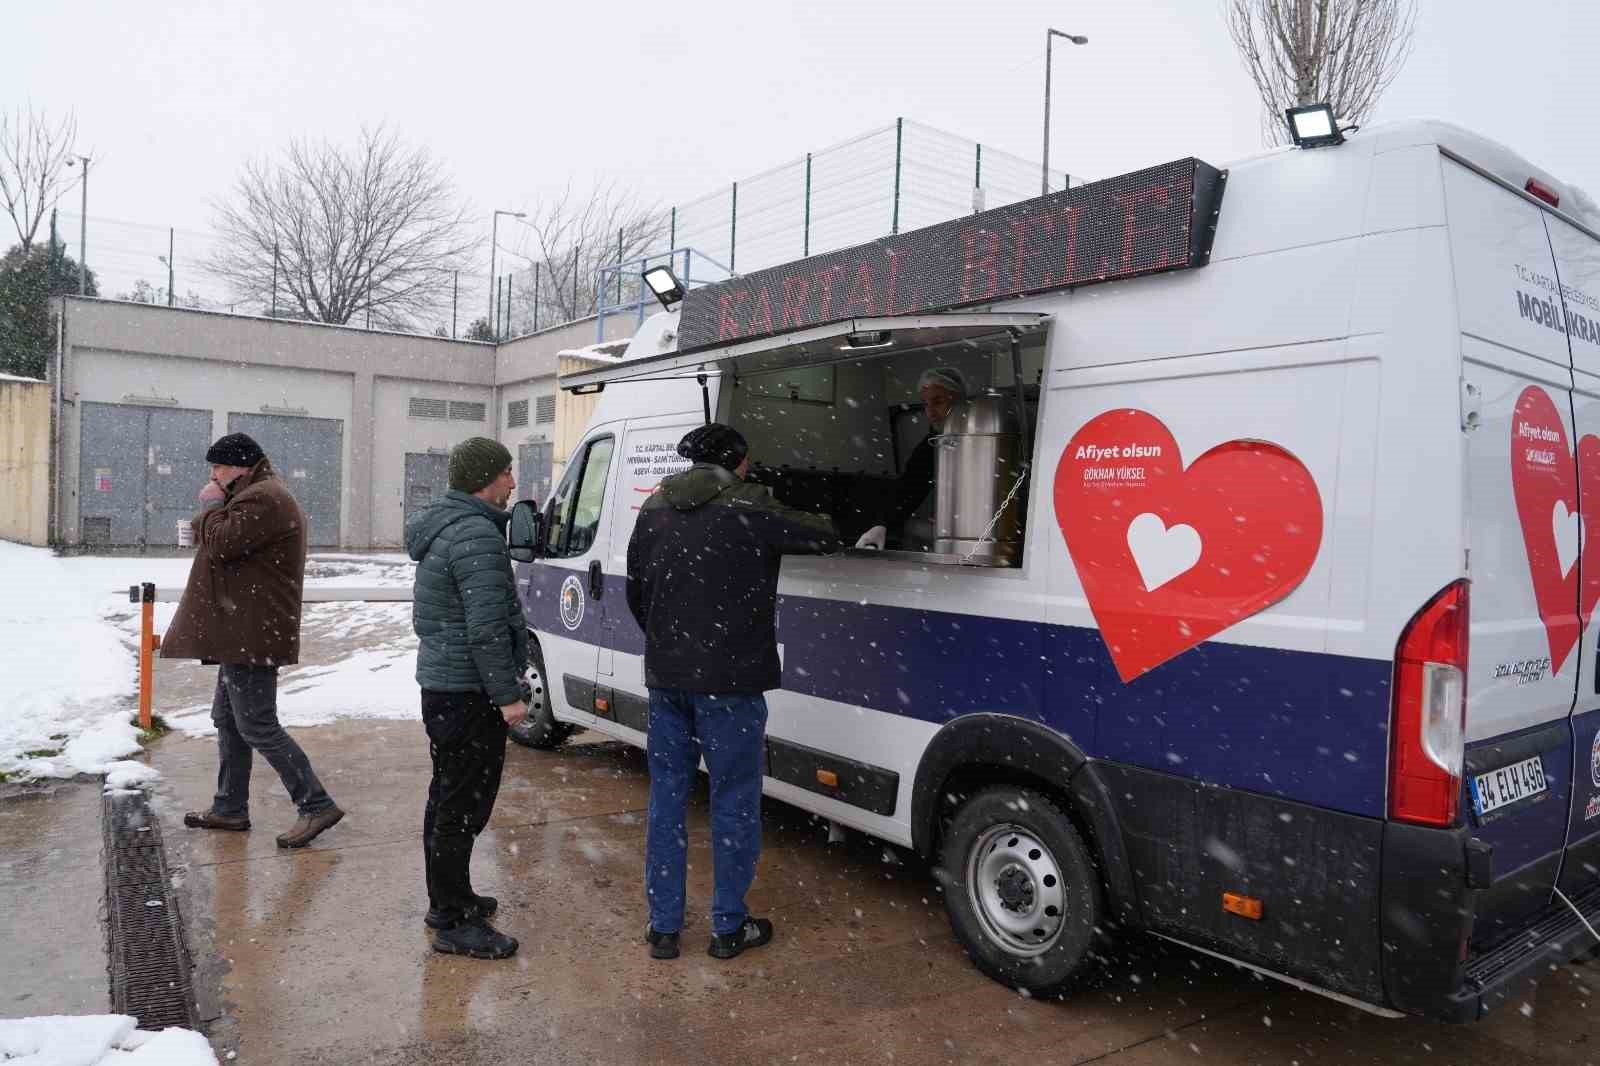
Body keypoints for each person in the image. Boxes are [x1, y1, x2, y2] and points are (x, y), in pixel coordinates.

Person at [626, 423, 842, 961]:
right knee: (733, 800)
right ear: (739, 463)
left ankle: (664, 927)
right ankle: (728, 926)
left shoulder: (653, 508)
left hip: (668, 681)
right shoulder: (750, 505)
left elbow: (637, 592)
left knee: (668, 800)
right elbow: (825, 533)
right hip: (731, 685)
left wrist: (672, 645)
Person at [164, 432, 346, 849]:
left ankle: (316, 804)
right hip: (241, 629)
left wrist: (210, 507)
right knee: (228, 720)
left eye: (219, 468)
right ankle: (230, 807)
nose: (212, 475)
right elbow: (220, 533)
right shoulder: (252, 494)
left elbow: (224, 542)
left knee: (257, 724)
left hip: (252, 631)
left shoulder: (265, 497)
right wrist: (209, 515)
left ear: (241, 467)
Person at [405, 436, 529, 961]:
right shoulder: (476, 535)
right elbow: (486, 630)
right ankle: (454, 922)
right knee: (461, 804)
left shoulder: (447, 525)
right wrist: (507, 696)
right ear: (486, 479)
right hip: (467, 692)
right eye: (507, 473)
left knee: (449, 798)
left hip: (447, 686)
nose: (513, 483)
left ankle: (450, 900)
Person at [855, 366, 968, 550]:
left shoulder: (981, 441)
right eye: (925, 404)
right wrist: (881, 525)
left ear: (959, 400)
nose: (930, 412)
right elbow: (908, 488)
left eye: (938, 401)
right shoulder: (931, 445)